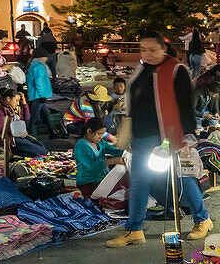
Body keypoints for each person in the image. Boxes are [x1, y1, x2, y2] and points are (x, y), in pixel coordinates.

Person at [109, 29, 212, 247]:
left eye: (153, 49)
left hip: (169, 135)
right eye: (144, 49)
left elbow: (186, 104)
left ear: (164, 48)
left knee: (182, 178)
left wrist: (189, 134)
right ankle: (134, 230)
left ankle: (202, 220)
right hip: (142, 137)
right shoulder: (142, 71)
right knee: (138, 182)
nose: (148, 53)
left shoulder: (176, 70)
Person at [74, 117, 124, 198]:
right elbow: (92, 166)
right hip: (88, 183)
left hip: (101, 180)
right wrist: (113, 161)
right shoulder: (81, 146)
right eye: (99, 133)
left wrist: (125, 151)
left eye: (102, 134)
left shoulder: (101, 142)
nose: (101, 137)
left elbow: (114, 150)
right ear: (89, 131)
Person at [26, 48, 63, 139]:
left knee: (44, 114)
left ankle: (51, 133)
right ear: (42, 57)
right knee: (34, 117)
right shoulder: (39, 66)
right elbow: (39, 81)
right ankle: (28, 135)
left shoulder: (33, 64)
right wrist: (42, 95)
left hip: (35, 94)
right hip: (38, 95)